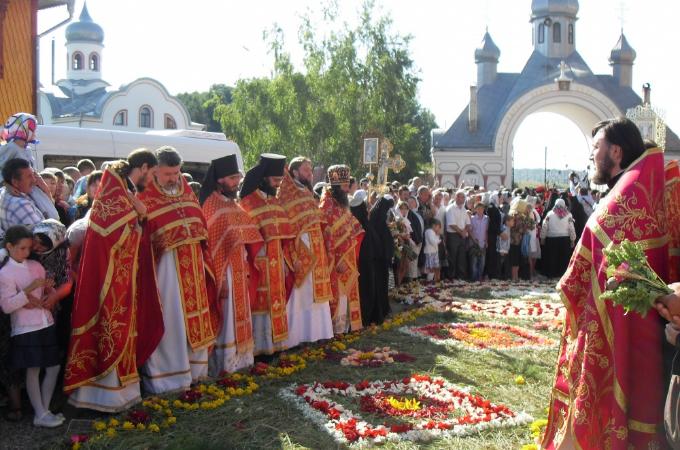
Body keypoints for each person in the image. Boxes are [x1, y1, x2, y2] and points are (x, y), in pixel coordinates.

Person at [542, 118, 668, 449]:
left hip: (623, 324)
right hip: (628, 321)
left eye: (596, 147)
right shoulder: (633, 189)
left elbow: (591, 262)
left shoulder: (625, 198)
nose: (591, 155)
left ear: (615, 151)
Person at [65, 149, 163, 412]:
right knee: (110, 329)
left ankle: (123, 394)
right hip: (109, 280)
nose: (152, 180)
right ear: (143, 167)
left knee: (125, 328)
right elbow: (111, 236)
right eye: (152, 174)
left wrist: (140, 216)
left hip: (124, 276)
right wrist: (139, 215)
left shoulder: (124, 190)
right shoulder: (115, 192)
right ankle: (102, 397)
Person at [137, 146, 220, 393]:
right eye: (167, 174)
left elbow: (200, 226)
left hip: (193, 269)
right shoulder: (143, 197)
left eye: (176, 173)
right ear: (154, 172)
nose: (174, 178)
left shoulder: (186, 192)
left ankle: (195, 372)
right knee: (170, 320)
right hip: (164, 274)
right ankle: (167, 379)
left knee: (193, 321)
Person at [200, 155, 263, 374]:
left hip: (239, 269)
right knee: (227, 321)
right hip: (224, 274)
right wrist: (219, 281)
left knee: (241, 315)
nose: (237, 182)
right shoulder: (211, 205)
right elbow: (211, 248)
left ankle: (243, 361)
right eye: (232, 178)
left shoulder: (233, 204)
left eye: (238, 177)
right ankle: (224, 365)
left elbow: (247, 236)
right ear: (219, 180)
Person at [0, 225, 62, 427]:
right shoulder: (5, 273)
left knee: (53, 366)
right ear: (9, 246)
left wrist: (49, 293)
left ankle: (43, 410)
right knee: (34, 369)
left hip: (45, 322)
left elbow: (45, 293)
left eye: (29, 248)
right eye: (22, 248)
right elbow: (8, 306)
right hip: (26, 328)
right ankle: (40, 413)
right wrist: (30, 289)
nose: (27, 253)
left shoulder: (36, 266)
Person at [239, 153, 295, 354]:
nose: (278, 184)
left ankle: (276, 346)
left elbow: (284, 236)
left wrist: (287, 263)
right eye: (275, 180)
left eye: (280, 180)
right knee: (260, 307)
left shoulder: (275, 201)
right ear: (263, 178)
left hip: (277, 262)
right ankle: (260, 349)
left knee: (275, 304)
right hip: (259, 262)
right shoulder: (248, 201)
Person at [278, 157, 334, 347]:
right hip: (301, 252)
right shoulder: (286, 194)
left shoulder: (308, 193)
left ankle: (318, 333)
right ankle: (297, 337)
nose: (310, 173)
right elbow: (286, 228)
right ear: (294, 172)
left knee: (316, 294)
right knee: (301, 295)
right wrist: (292, 255)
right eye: (305, 170)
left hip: (317, 251)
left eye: (310, 170)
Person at [319, 165, 364, 334]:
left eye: (347, 186)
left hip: (349, 260)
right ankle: (336, 331)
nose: (347, 190)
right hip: (337, 262)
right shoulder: (326, 207)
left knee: (348, 295)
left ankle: (345, 329)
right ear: (335, 187)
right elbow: (328, 239)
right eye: (344, 187)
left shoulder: (342, 205)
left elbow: (354, 230)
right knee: (338, 295)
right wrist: (338, 260)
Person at [0, 113, 58, 220]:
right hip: (20, 188)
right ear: (24, 128)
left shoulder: (27, 149)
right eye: (32, 128)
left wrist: (45, 188)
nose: (34, 132)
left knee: (50, 213)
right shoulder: (11, 148)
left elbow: (33, 171)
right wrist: (7, 185)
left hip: (32, 187)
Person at [0, 158, 45, 240]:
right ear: (15, 182)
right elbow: (43, 235)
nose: (34, 180)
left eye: (33, 175)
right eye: (29, 177)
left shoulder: (4, 192)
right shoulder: (19, 204)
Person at [539, 199, 576, 279]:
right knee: (564, 257)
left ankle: (551, 274)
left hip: (552, 239)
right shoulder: (568, 215)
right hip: (564, 239)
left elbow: (544, 226)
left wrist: (542, 237)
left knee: (552, 257)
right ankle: (562, 275)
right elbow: (571, 228)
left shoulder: (549, 214)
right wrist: (573, 239)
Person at [445, 190, 470, 280]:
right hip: (453, 235)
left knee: (461, 257)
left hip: (462, 235)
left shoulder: (464, 209)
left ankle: (461, 277)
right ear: (456, 197)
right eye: (460, 197)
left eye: (463, 197)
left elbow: (468, 223)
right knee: (452, 256)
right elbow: (451, 224)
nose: (462, 199)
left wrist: (464, 231)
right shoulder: (450, 208)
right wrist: (462, 232)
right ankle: (451, 277)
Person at [469, 202, 488, 282]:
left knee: (482, 262)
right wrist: (473, 239)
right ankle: (474, 278)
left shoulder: (487, 218)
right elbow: (470, 230)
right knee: (474, 262)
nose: (480, 210)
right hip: (474, 243)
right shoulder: (472, 219)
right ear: (475, 209)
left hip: (483, 243)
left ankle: (479, 277)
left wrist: (487, 241)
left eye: (481, 209)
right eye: (478, 209)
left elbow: (487, 231)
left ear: (484, 209)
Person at [485, 192, 502, 279]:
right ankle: (490, 273)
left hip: (494, 235)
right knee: (491, 254)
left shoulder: (495, 207)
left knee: (493, 254)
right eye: (500, 197)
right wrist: (500, 232)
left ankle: (493, 273)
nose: (501, 199)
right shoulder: (492, 208)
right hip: (491, 235)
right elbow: (492, 223)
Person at [424, 218, 442, 283]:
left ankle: (435, 279)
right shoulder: (429, 231)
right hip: (430, 252)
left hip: (434, 251)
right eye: (438, 227)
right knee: (431, 267)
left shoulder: (433, 232)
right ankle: (429, 280)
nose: (439, 229)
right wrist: (439, 240)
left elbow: (435, 240)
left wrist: (437, 236)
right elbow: (433, 241)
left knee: (435, 266)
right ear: (434, 225)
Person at [497, 214, 513, 280]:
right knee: (500, 264)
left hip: (506, 250)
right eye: (512, 221)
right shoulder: (503, 228)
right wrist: (501, 249)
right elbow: (500, 239)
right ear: (507, 222)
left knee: (505, 264)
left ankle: (505, 277)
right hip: (502, 250)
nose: (513, 223)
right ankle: (499, 276)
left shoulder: (508, 228)